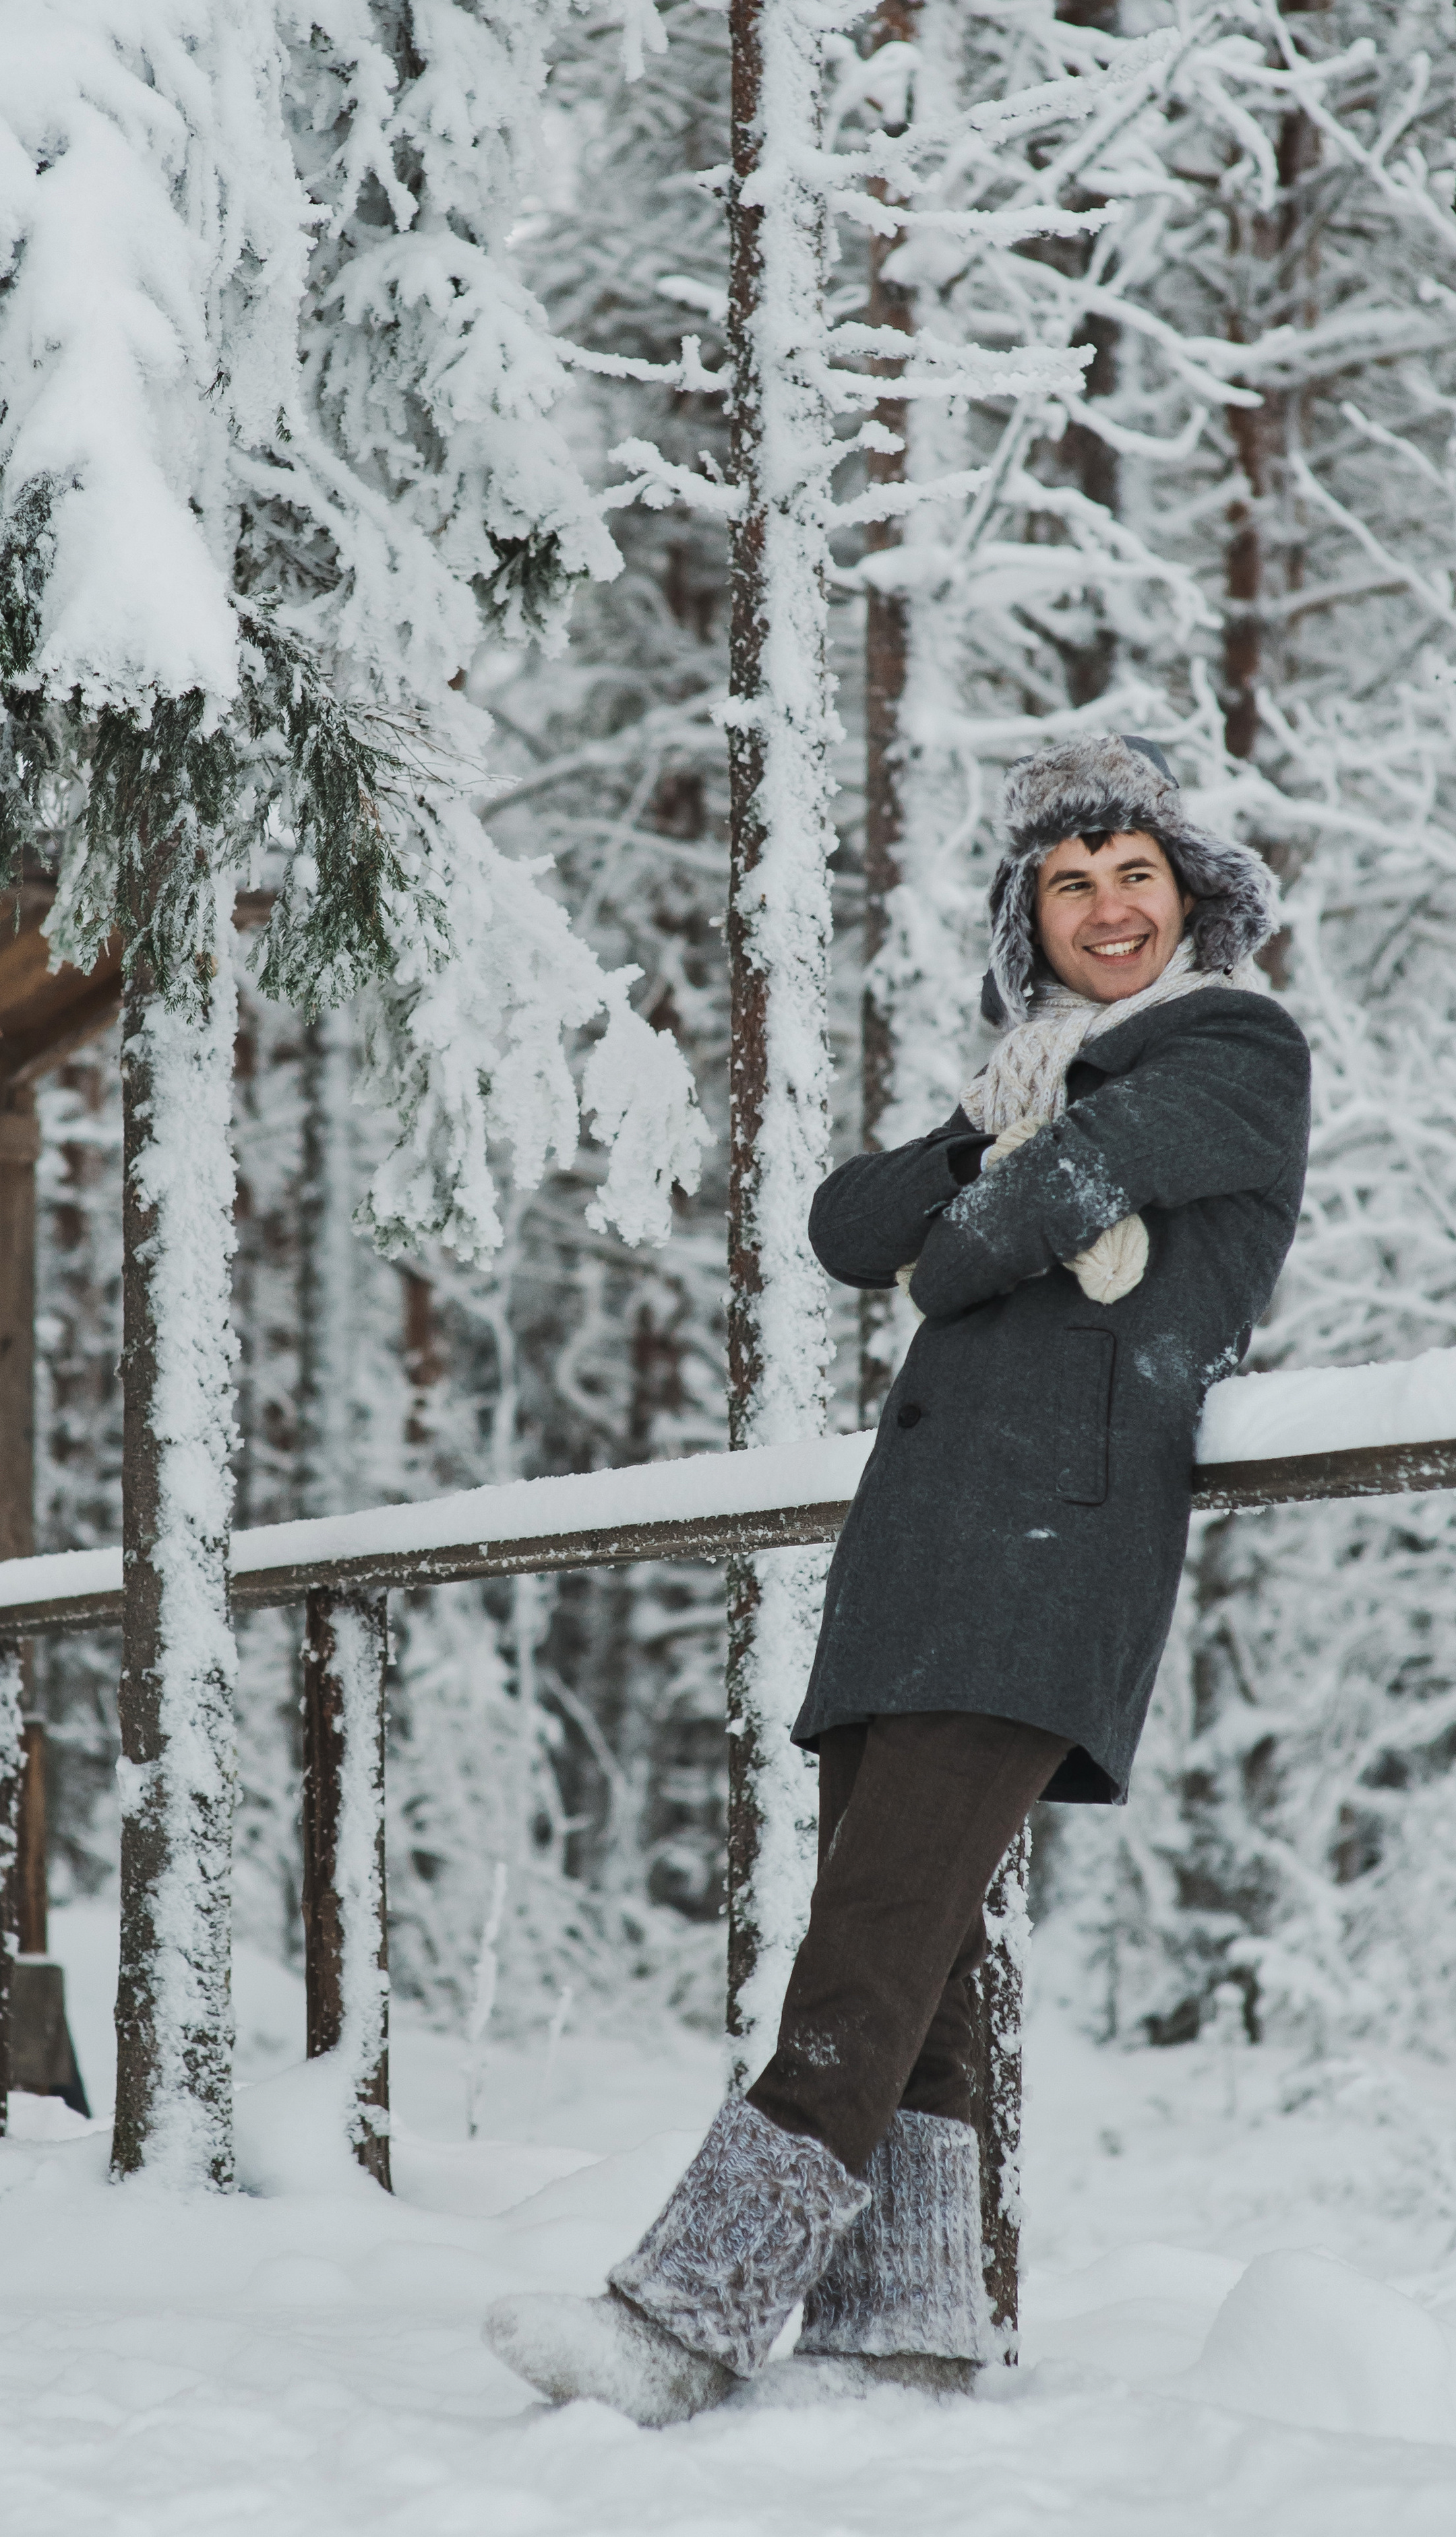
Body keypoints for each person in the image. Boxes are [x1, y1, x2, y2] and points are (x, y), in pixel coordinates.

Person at [484, 734, 1311, 2427]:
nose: (1105, 908)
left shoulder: (1232, 1045)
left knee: (867, 1945)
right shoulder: (1032, 1079)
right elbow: (849, 1228)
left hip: (1047, 1553)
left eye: (1133, 876)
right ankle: (905, 2324)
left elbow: (969, 1256)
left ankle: (683, 2319)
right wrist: (976, 1153)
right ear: (1032, 918)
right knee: (907, 1952)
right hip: (924, 1559)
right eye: (1068, 884)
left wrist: (998, 1191)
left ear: (1187, 898)